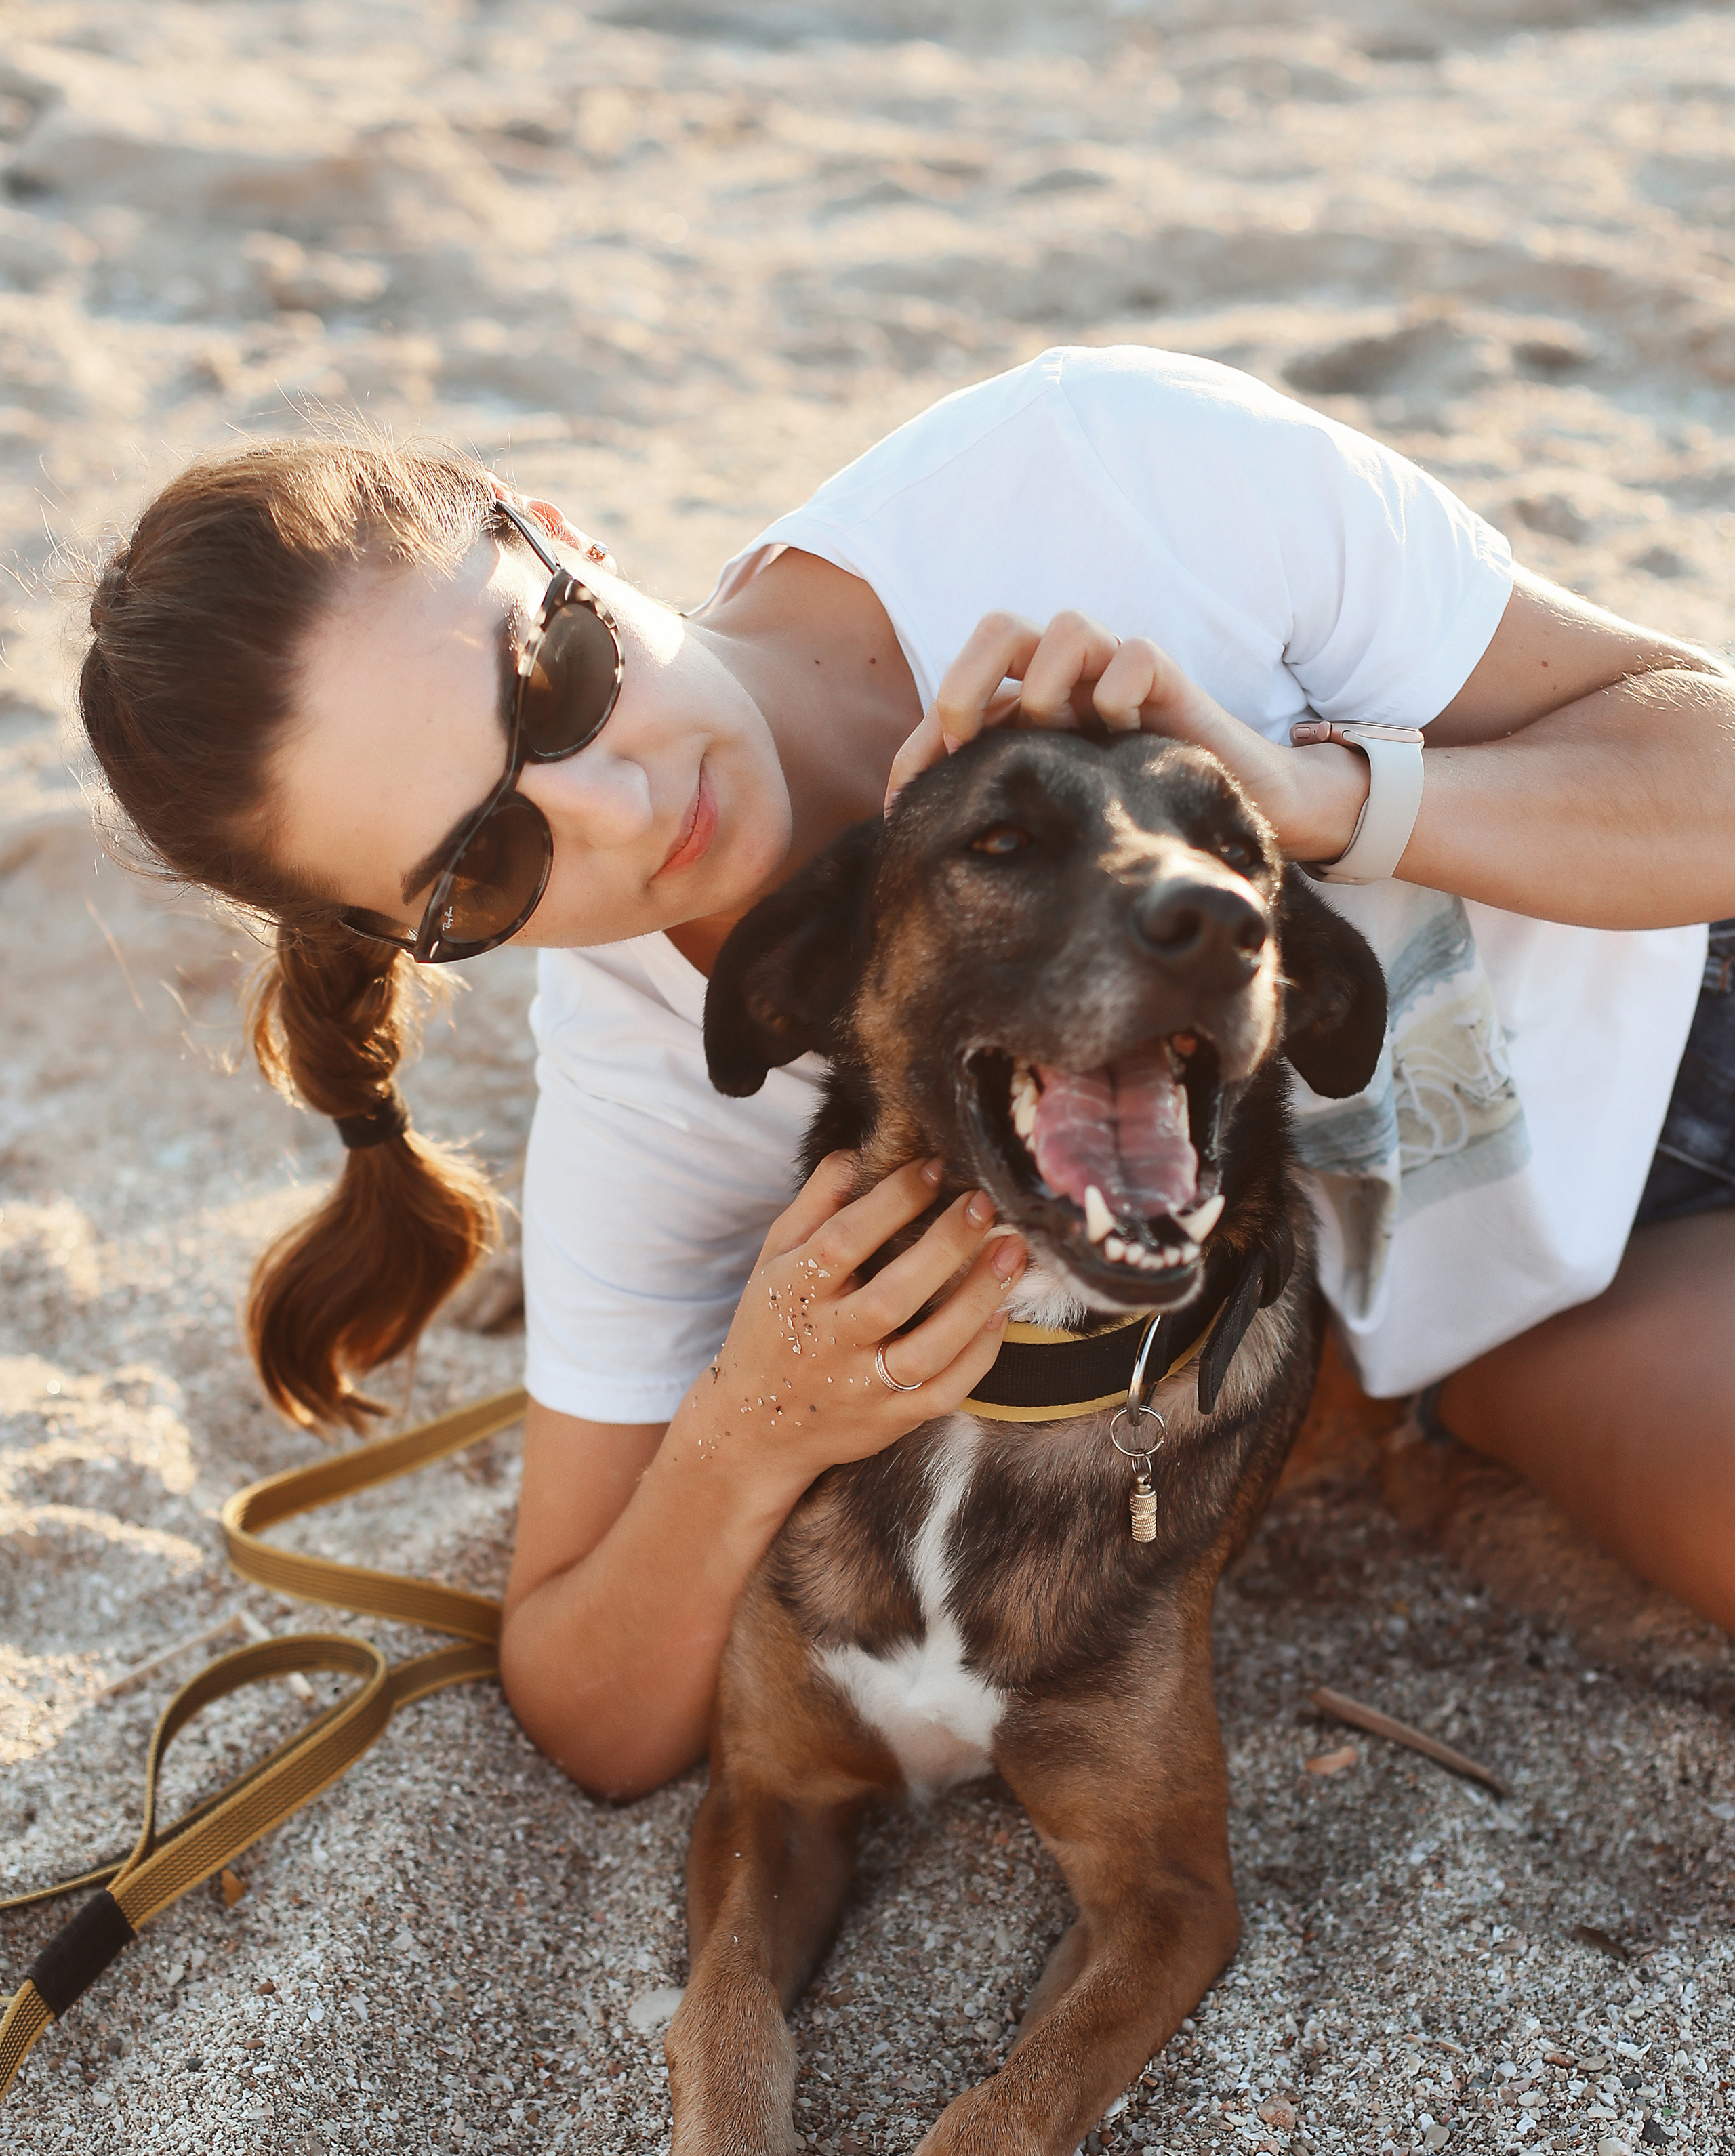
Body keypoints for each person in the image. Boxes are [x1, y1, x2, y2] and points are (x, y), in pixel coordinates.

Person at [77, 346, 1735, 1798]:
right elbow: (589, 1707)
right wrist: (745, 1429)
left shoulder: (1105, 472)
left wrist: (1304, 803)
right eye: (482, 868)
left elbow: (1702, 758)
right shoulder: (657, 1054)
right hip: (1562, 1284)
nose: (624, 809)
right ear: (407, 938)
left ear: (555, 531)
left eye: (552, 681)